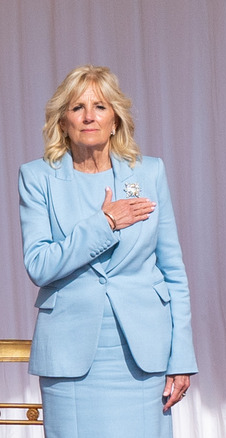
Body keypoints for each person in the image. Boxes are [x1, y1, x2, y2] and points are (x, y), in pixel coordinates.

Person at [18, 65, 198, 437]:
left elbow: (173, 272)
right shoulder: (37, 177)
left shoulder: (149, 173)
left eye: (100, 106)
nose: (88, 116)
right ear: (62, 121)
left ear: (115, 118)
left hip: (143, 356)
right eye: (77, 107)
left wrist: (181, 357)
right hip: (70, 358)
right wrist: (105, 225)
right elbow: (39, 264)